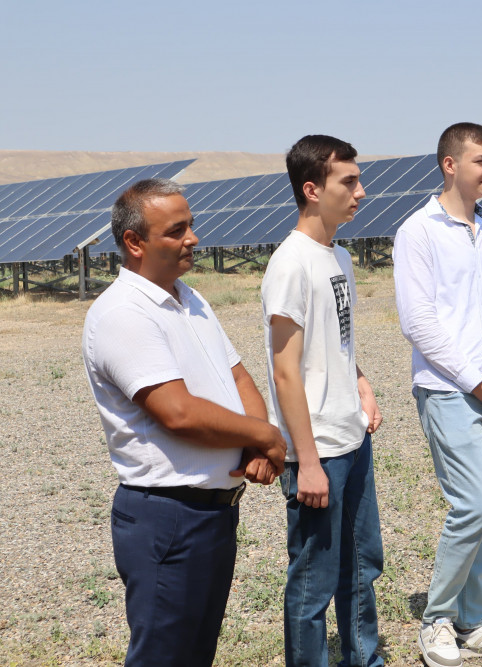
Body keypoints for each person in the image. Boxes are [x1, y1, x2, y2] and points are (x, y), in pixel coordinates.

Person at [82, 178, 287, 666]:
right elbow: (176, 412)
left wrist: (256, 447)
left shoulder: (189, 298)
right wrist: (265, 435)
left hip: (210, 513)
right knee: (164, 656)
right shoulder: (122, 314)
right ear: (135, 243)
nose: (192, 238)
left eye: (191, 225)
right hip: (167, 516)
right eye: (176, 230)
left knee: (195, 653)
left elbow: (236, 378)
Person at [394, 122, 482, 667]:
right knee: (473, 503)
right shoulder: (419, 232)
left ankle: (475, 621)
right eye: (481, 160)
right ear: (450, 165)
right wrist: (474, 380)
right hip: (449, 389)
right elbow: (418, 322)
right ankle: (437, 621)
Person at [261, 135, 385, 667]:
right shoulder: (291, 264)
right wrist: (305, 461)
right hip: (318, 452)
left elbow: (336, 340)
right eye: (349, 181)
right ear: (312, 189)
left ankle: (365, 659)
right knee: (313, 582)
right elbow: (285, 371)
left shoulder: (338, 256)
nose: (361, 191)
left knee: (361, 566)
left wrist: (360, 382)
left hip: (351, 437)